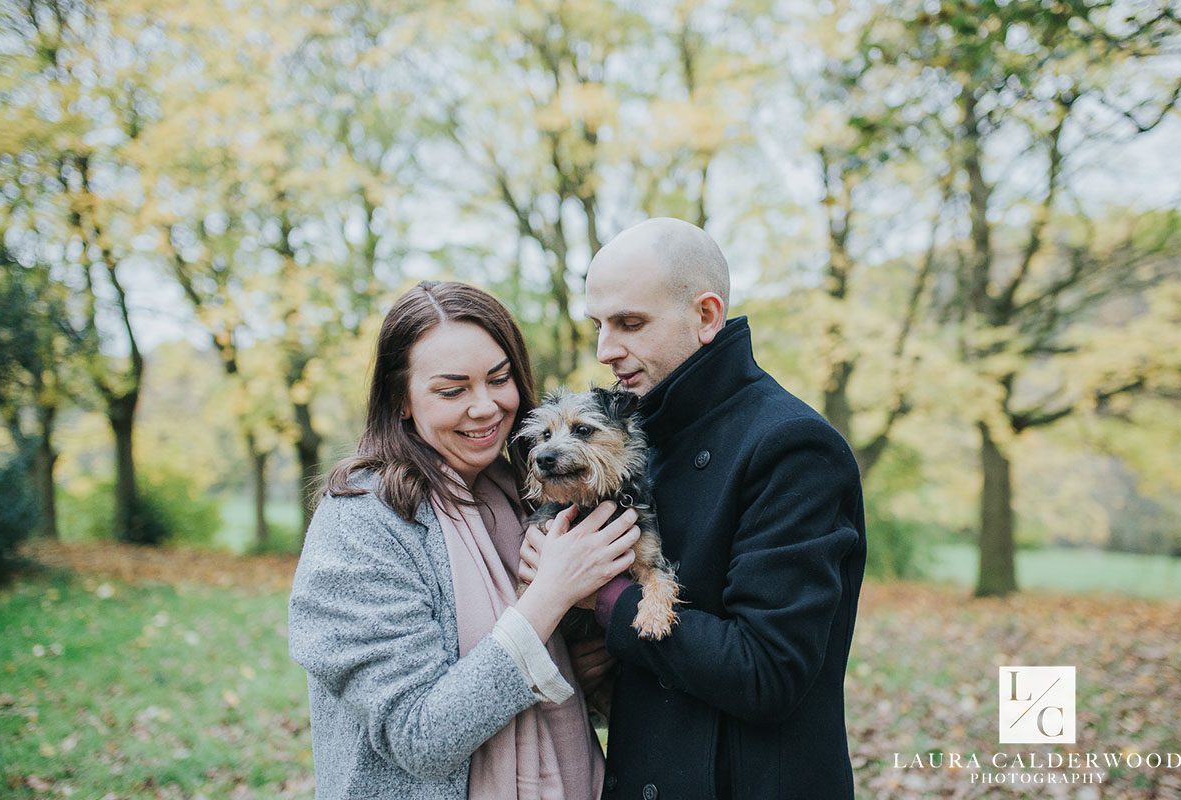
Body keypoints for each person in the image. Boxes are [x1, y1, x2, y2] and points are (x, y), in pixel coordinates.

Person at [522, 218, 867, 798]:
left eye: (631, 323)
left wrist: (601, 593)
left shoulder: (792, 446)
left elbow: (768, 672)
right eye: (599, 325)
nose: (606, 350)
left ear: (706, 316)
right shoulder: (634, 442)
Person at [288, 280, 641, 800]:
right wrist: (552, 593)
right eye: (452, 391)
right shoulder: (362, 523)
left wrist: (575, 673)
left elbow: (516, 682)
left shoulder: (522, 498)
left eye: (499, 380)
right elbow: (419, 737)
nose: (486, 408)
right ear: (400, 400)